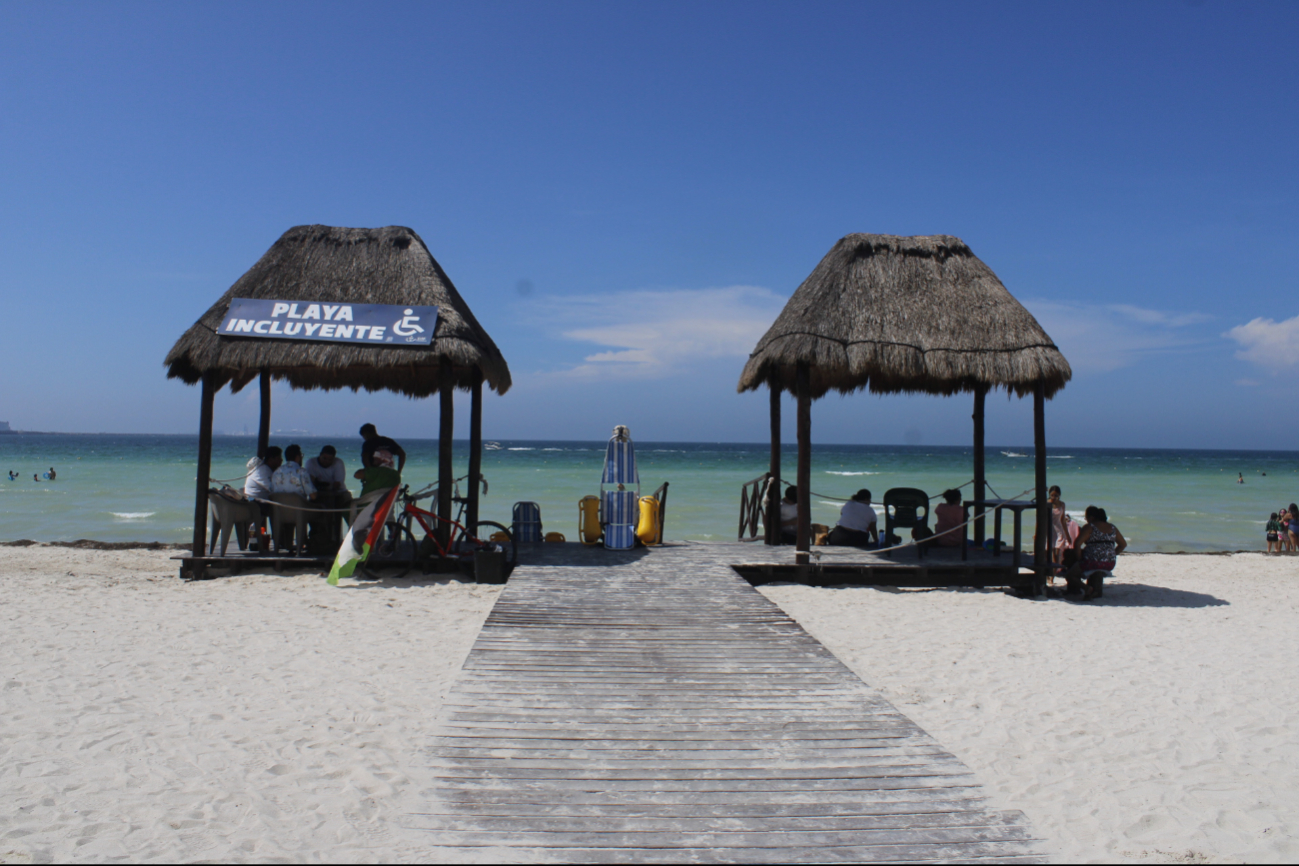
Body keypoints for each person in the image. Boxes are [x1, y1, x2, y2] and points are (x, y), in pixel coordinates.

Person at [1065, 506, 1127, 601]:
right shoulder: (1112, 527)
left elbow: (1077, 544)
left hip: (1092, 561)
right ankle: (1092, 590)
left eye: (1087, 518)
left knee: (1070, 575)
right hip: (1109, 563)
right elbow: (1123, 544)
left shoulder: (1090, 527)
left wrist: (1079, 559)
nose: (1086, 520)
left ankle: (1086, 588)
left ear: (1092, 517)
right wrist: (1112, 554)